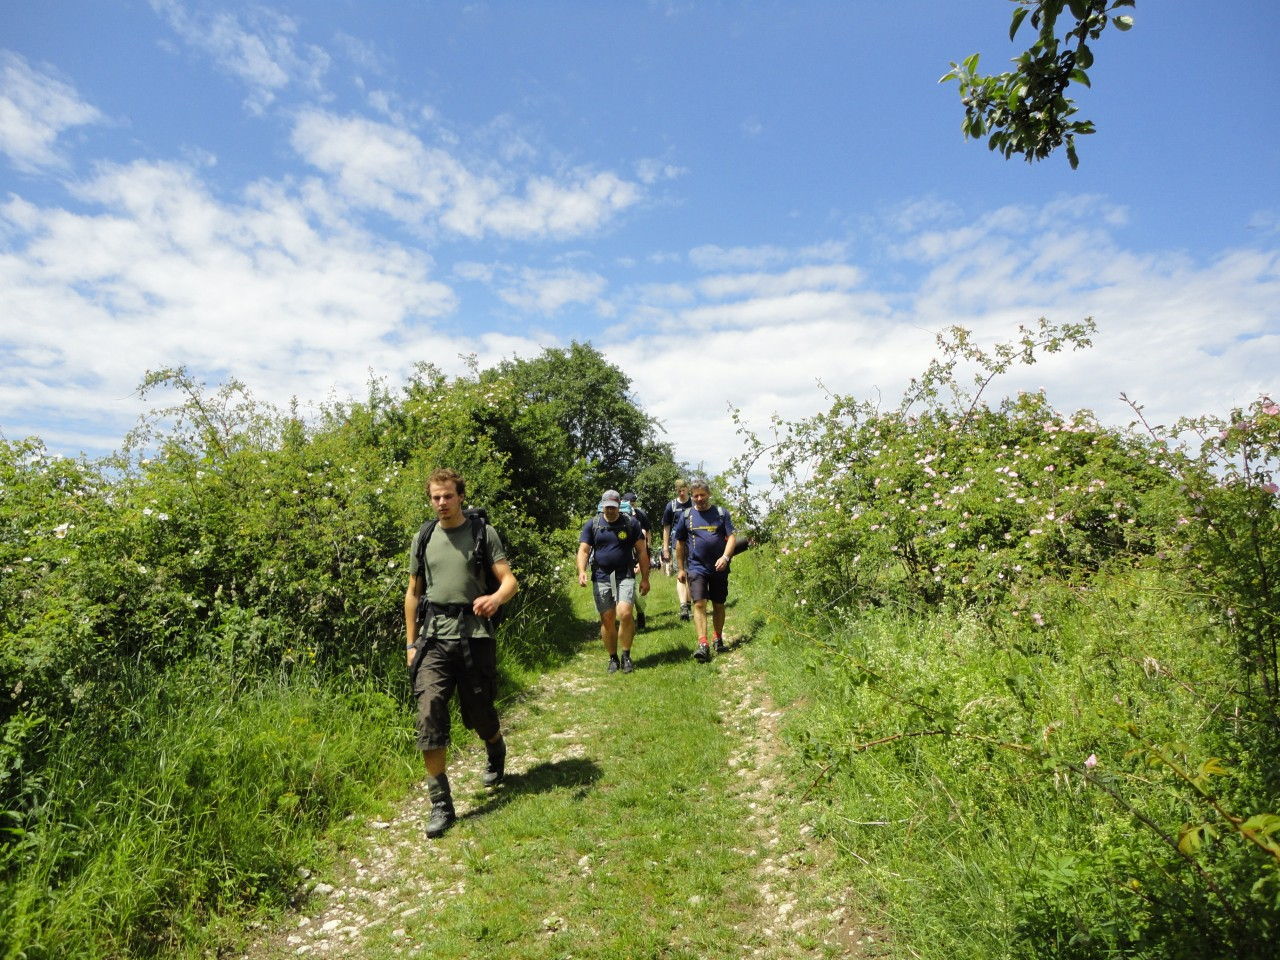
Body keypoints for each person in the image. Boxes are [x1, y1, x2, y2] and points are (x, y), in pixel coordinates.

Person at [405, 468, 518, 838]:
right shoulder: (424, 537)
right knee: (429, 713)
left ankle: (495, 748)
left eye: (448, 496)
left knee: (480, 712)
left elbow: (509, 581)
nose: (441, 503)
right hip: (433, 639)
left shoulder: (483, 533)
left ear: (460, 497)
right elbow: (413, 593)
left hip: (475, 636)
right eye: (435, 497)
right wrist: (410, 643)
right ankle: (441, 803)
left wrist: (495, 598)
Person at [577, 489, 650, 674]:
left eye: (613, 507)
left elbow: (642, 551)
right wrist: (581, 571)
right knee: (607, 618)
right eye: (607, 507)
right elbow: (584, 550)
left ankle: (626, 655)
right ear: (602, 506)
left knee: (625, 613)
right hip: (601, 576)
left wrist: (645, 578)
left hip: (624, 574)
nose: (610, 510)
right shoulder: (593, 524)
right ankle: (613, 658)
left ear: (619, 506)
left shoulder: (631, 523)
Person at [673, 479, 737, 662]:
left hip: (719, 567)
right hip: (696, 567)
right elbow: (680, 544)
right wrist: (681, 569)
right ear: (692, 497)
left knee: (718, 604)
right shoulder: (686, 516)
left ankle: (718, 638)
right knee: (699, 604)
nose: (699, 498)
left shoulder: (721, 513)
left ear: (708, 494)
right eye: (695, 496)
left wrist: (725, 557)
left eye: (702, 495)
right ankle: (703, 644)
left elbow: (732, 537)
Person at [660, 480, 695, 620]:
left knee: (691, 574)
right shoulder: (671, 506)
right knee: (681, 574)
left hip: (692, 543)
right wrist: (665, 548)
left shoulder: (694, 503)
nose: (681, 493)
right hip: (677, 544)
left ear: (688, 489)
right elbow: (666, 527)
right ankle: (683, 607)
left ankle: (689, 604)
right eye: (679, 490)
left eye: (683, 490)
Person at [622, 492, 651, 629]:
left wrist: (642, 561)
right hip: (623, 560)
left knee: (637, 590)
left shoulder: (640, 516)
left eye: (633, 503)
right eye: (630, 503)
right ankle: (629, 617)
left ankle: (640, 612)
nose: (632, 506)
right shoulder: (617, 517)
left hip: (638, 556)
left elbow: (646, 538)